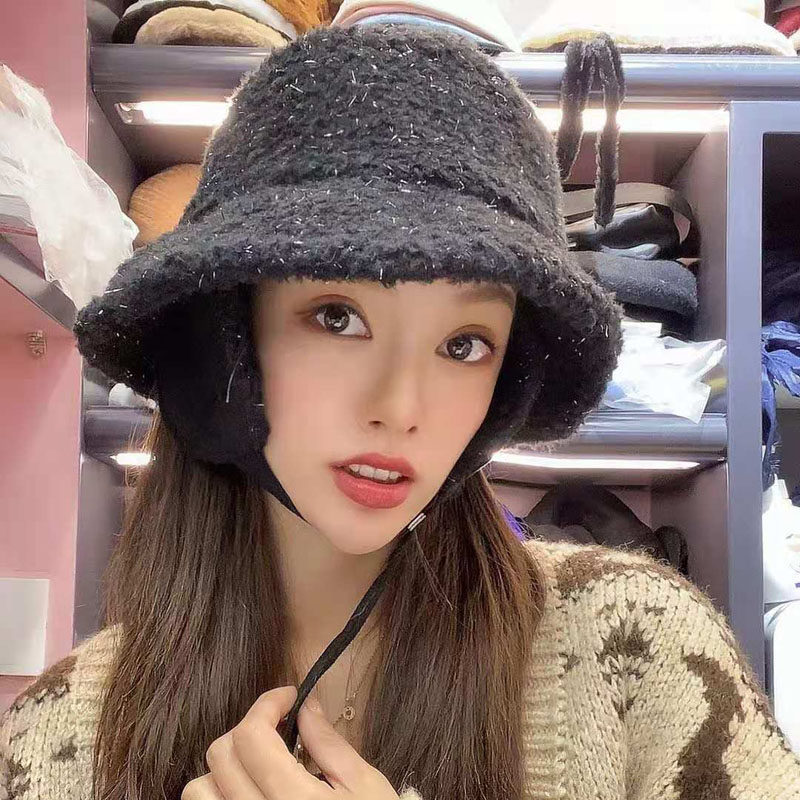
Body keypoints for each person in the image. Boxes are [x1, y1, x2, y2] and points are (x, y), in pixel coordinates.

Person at [3, 23, 800, 800]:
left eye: (465, 344)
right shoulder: (60, 733)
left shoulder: (639, 649)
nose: (401, 408)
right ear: (225, 348)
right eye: (337, 317)